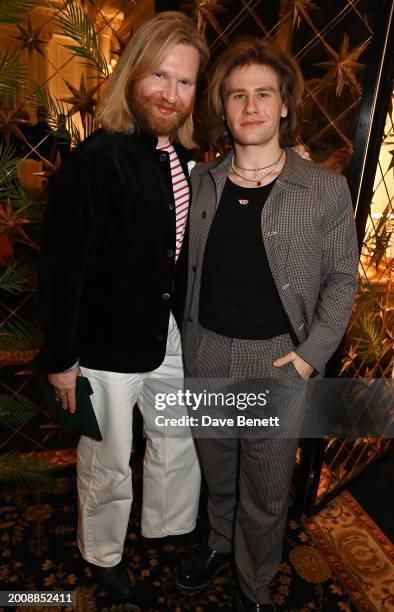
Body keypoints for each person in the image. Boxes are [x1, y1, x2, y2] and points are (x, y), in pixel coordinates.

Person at [175, 39, 359, 611]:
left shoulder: (324, 188)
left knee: (267, 489)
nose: (250, 105)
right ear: (224, 109)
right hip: (206, 353)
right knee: (218, 471)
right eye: (237, 95)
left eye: (263, 93)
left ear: (283, 106)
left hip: (278, 362)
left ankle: (254, 585)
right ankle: (219, 544)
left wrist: (311, 355)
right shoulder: (202, 181)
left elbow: (342, 280)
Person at [38, 11, 209, 601]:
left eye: (185, 82)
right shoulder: (96, 161)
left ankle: (165, 528)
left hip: (170, 337)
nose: (172, 93)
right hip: (107, 344)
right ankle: (105, 553)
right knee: (109, 459)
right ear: (132, 72)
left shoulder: (188, 160)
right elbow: (62, 269)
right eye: (160, 76)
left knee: (179, 434)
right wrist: (62, 361)